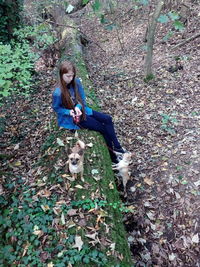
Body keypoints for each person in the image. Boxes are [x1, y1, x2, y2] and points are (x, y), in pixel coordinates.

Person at [52, 60, 125, 163]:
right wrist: (69, 112)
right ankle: (113, 157)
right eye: (68, 76)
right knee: (102, 129)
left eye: (72, 75)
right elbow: (57, 108)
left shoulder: (76, 82)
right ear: (61, 75)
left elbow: (82, 99)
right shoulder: (57, 92)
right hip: (73, 118)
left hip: (83, 110)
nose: (70, 78)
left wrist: (77, 107)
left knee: (108, 119)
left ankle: (117, 147)